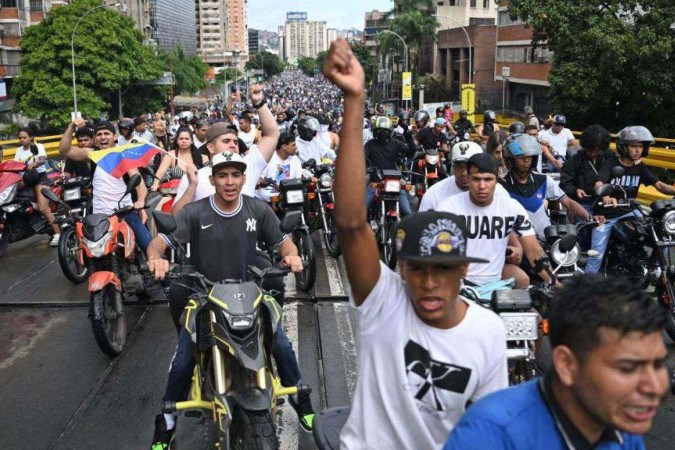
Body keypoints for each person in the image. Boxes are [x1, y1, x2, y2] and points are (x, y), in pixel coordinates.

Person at [322, 37, 508, 450]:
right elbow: (352, 223)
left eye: (443, 269)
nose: (428, 283)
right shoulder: (383, 301)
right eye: (417, 268)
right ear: (400, 269)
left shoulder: (489, 333)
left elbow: (488, 429)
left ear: (463, 270)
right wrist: (355, 99)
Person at [147, 151, 315, 449]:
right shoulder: (194, 213)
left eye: (235, 175)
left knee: (281, 344)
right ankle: (167, 421)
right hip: (203, 297)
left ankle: (301, 399)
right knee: (184, 358)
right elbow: (159, 244)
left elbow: (282, 240)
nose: (229, 182)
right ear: (212, 180)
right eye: (222, 175)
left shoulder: (258, 210)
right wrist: (157, 259)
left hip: (251, 295)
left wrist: (291, 254)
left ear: (243, 178)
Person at [445, 274, 668, 450]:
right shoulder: (490, 435)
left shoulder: (621, 422)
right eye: (628, 369)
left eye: (658, 365)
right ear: (566, 364)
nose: (655, 387)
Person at [437, 153, 553, 289]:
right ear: (468, 179)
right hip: (457, 282)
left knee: (523, 283)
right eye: (476, 179)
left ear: (496, 180)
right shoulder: (448, 208)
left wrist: (554, 283)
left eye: (488, 179)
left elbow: (534, 251)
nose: (482, 186)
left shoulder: (511, 207)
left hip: (496, 282)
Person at [171, 84, 280, 214]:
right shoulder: (195, 177)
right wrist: (192, 186)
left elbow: (272, 134)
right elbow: (176, 217)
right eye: (226, 141)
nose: (233, 145)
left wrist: (259, 103)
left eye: (235, 142)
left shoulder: (249, 165)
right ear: (211, 147)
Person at [586, 126, 675, 273]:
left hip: (630, 211)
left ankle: (658, 270)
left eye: (641, 146)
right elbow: (599, 183)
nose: (638, 150)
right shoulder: (611, 163)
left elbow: (659, 185)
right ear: (623, 147)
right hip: (606, 215)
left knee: (659, 232)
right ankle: (585, 287)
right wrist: (605, 195)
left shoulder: (640, 167)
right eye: (634, 146)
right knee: (596, 255)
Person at [58, 119, 152, 252]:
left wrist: (141, 200)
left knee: (150, 248)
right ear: (95, 139)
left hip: (124, 213)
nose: (103, 137)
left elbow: (139, 183)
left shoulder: (123, 156)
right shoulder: (91, 155)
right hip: (98, 217)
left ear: (114, 137)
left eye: (106, 133)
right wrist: (71, 127)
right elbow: (64, 150)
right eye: (99, 134)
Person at [500, 133, 603, 238]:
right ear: (511, 160)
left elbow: (568, 202)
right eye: (521, 157)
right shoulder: (500, 185)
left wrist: (589, 217)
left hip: (545, 240)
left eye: (529, 157)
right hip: (514, 242)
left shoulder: (543, 180)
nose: (526, 161)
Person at [14, 128, 61, 245]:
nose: (22, 140)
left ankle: (58, 233)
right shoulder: (18, 150)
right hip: (26, 178)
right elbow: (15, 164)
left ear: (31, 137)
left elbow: (42, 159)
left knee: (43, 208)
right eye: (20, 138)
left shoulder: (38, 146)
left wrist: (35, 163)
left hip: (39, 177)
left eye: (24, 137)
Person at [364, 116, 416, 217]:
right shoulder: (370, 144)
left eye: (385, 131)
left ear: (390, 131)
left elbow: (410, 152)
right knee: (362, 210)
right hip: (376, 181)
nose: (382, 133)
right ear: (375, 131)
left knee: (407, 212)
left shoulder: (396, 143)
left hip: (395, 181)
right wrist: (368, 169)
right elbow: (362, 157)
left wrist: (409, 138)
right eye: (379, 131)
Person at [560, 124, 615, 212]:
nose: (593, 153)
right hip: (584, 202)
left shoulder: (609, 157)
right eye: (590, 149)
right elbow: (564, 183)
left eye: (597, 150)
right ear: (585, 146)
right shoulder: (574, 161)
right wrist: (576, 190)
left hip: (608, 201)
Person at [151, 126, 208, 192]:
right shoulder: (171, 155)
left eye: (187, 139)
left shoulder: (203, 157)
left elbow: (208, 176)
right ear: (177, 141)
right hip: (175, 193)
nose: (184, 141)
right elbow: (160, 172)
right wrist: (155, 184)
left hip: (199, 192)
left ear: (192, 141)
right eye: (181, 139)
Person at [256, 132, 304, 203]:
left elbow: (298, 179)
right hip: (266, 200)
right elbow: (259, 178)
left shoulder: (295, 159)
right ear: (284, 146)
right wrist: (261, 181)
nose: (296, 147)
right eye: (293, 145)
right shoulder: (268, 157)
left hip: (287, 198)